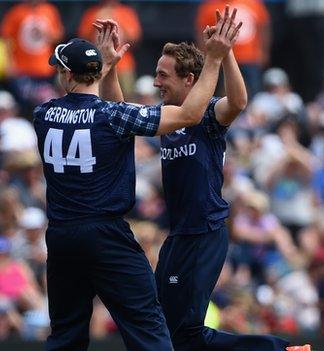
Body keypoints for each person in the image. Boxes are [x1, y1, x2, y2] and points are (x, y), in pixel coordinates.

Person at [96, 9, 309, 351]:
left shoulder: (208, 114)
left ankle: (280, 349)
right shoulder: (166, 117)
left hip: (204, 232)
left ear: (189, 80)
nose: (156, 83)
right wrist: (111, 66)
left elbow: (238, 101)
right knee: (168, 329)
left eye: (163, 76)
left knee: (186, 333)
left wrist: (226, 54)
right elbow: (116, 110)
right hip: (179, 235)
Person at [32, 11, 237, 350]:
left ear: (67, 75)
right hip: (106, 234)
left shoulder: (43, 114)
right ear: (93, 72)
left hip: (61, 233)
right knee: (148, 325)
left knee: (65, 332)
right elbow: (188, 115)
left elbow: (87, 101)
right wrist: (213, 59)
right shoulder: (113, 116)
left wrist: (105, 66)